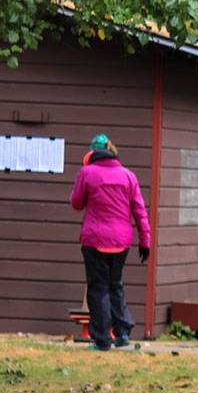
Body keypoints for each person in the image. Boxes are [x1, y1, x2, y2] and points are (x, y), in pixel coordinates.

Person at [69, 134, 151, 350]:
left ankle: (102, 339)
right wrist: (146, 241)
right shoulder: (128, 176)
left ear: (91, 154)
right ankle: (122, 333)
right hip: (122, 241)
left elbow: (76, 203)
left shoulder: (87, 173)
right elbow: (140, 211)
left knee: (98, 288)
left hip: (95, 240)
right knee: (116, 285)